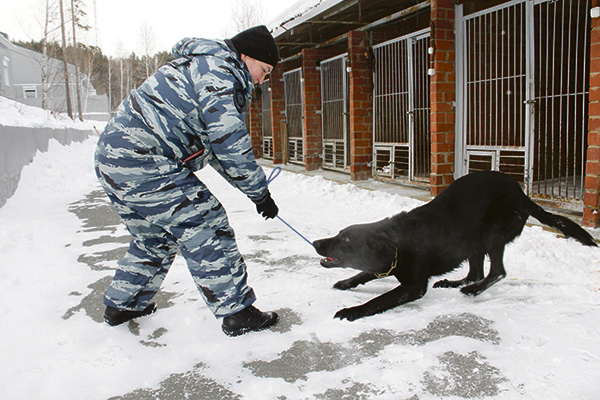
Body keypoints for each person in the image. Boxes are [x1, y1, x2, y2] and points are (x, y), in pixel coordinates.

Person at [94, 25, 280, 337]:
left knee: (154, 237)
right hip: (145, 160)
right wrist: (260, 193)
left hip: (113, 159)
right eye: (263, 70)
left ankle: (123, 304)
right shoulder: (220, 74)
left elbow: (217, 150)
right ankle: (237, 312)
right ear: (245, 55)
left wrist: (256, 194)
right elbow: (229, 143)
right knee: (206, 223)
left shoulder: (202, 65)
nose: (262, 80)